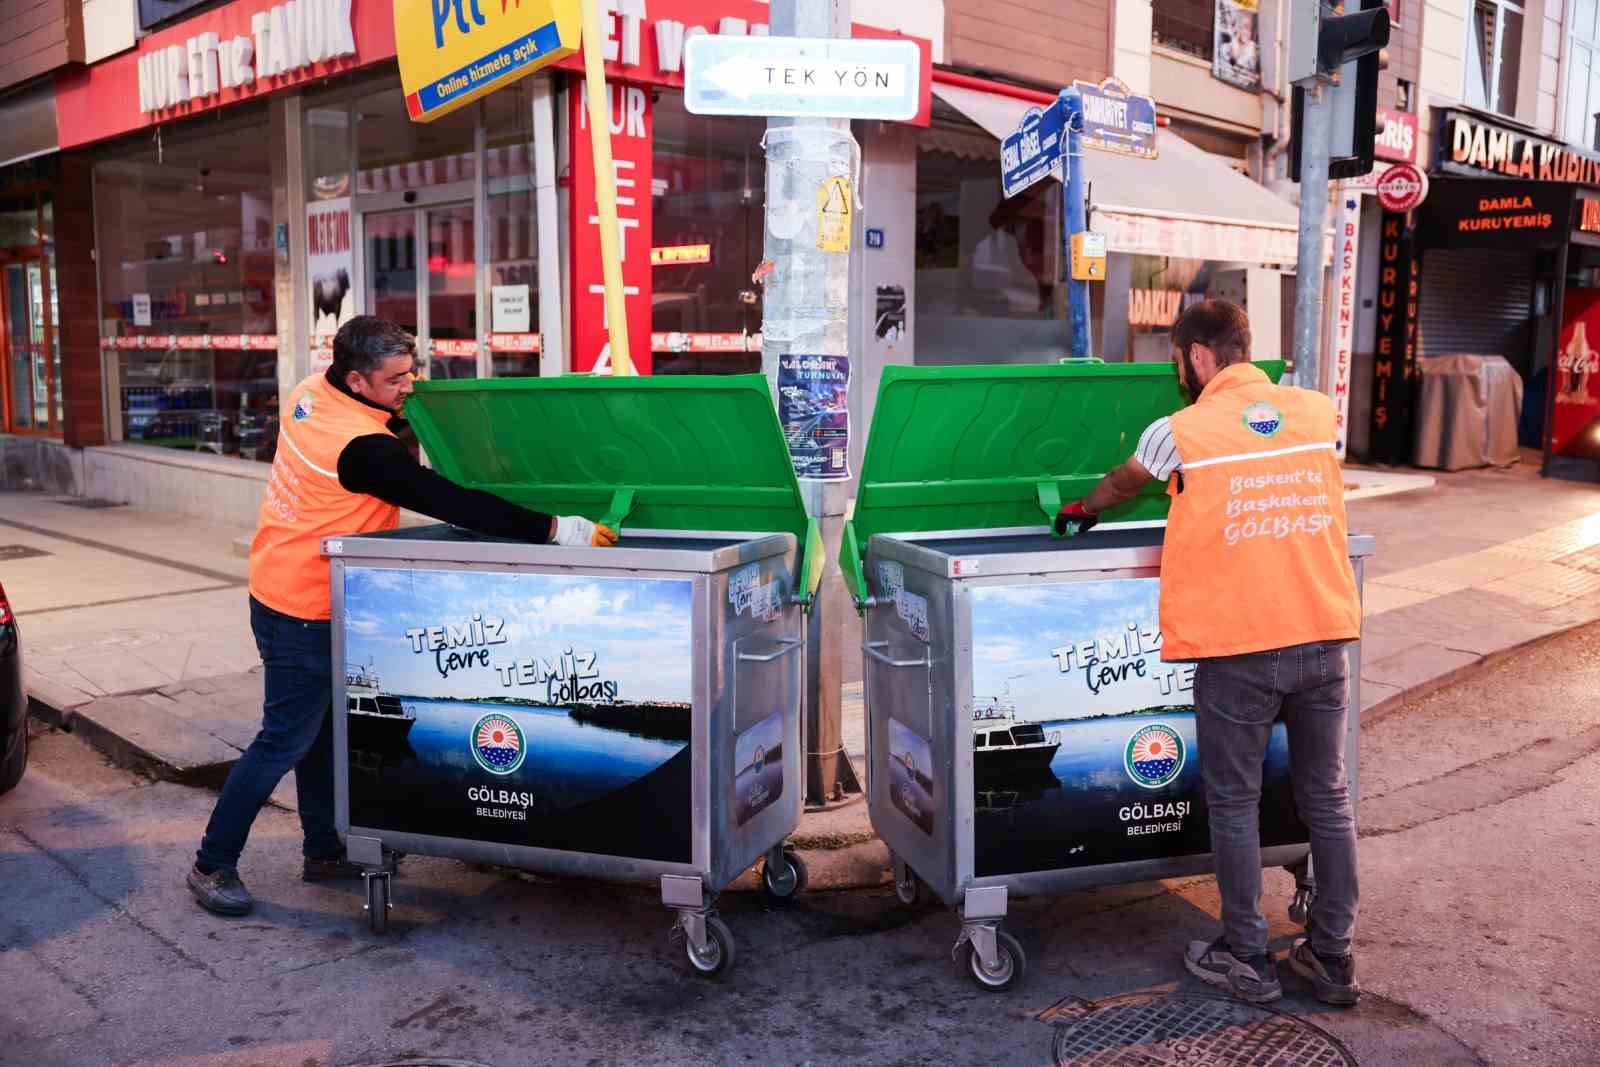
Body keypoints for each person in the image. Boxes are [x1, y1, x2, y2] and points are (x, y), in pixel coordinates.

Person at [187, 316, 617, 918]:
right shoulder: (362, 452)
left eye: (412, 371)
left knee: (322, 735)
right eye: (396, 379)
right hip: (304, 605)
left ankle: (323, 850)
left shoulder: (311, 391)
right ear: (359, 379)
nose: (410, 386)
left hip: (283, 580)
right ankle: (212, 862)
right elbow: (448, 500)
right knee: (284, 740)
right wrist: (555, 528)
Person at [1055, 300, 1362, 1007]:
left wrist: (1083, 509)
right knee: (1329, 799)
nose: (1176, 372)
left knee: (1234, 801)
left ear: (1197, 357)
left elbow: (1126, 479)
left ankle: (1247, 957)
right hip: (1324, 635)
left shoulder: (1182, 431)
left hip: (1242, 648)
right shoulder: (1316, 413)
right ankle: (1333, 955)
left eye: (1175, 360)